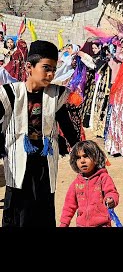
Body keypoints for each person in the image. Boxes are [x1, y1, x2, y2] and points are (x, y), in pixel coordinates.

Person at [0, 40, 80, 227]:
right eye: (46, 68)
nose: (51, 74)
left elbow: (66, 126)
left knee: (43, 206)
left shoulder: (56, 94)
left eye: (53, 69)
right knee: (17, 206)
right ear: (29, 67)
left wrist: (80, 149)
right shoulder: (11, 93)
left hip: (45, 159)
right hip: (18, 159)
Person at [59, 140, 119, 227]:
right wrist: (64, 223)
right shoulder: (76, 184)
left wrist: (111, 199)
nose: (82, 161)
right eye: (78, 158)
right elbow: (69, 206)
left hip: (102, 224)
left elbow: (112, 192)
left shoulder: (103, 178)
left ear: (96, 158)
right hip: (81, 225)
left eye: (86, 156)